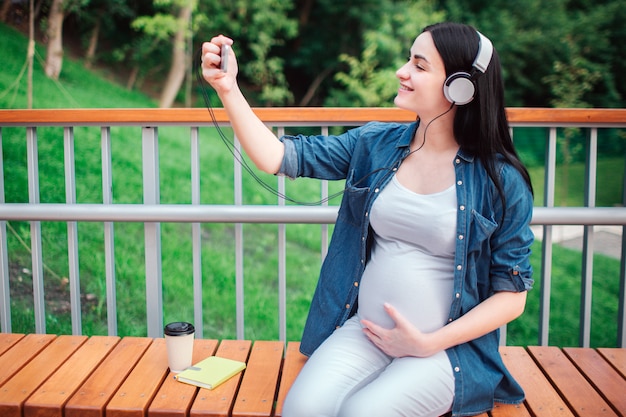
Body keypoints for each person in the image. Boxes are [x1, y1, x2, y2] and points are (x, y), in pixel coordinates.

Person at [202, 21, 534, 417]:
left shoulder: (501, 180)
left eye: (419, 65)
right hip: (366, 332)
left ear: (459, 87)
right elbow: (278, 156)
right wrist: (228, 88)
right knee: (301, 411)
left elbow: (512, 297)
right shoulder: (375, 144)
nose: (402, 71)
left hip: (444, 351)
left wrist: (428, 343)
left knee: (362, 413)